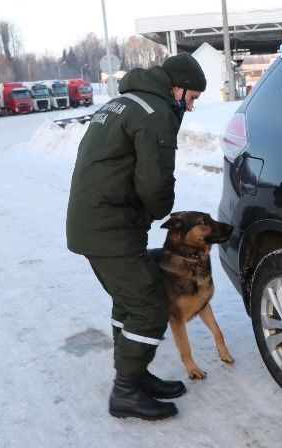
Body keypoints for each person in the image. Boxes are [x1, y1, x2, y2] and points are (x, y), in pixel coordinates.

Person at [66, 53, 206, 420]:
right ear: (176, 88)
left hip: (98, 222)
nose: (190, 108)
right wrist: (163, 210)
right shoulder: (155, 112)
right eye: (191, 98)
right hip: (111, 225)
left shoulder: (122, 103)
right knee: (149, 304)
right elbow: (154, 182)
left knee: (128, 301)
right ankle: (125, 391)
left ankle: (134, 374)